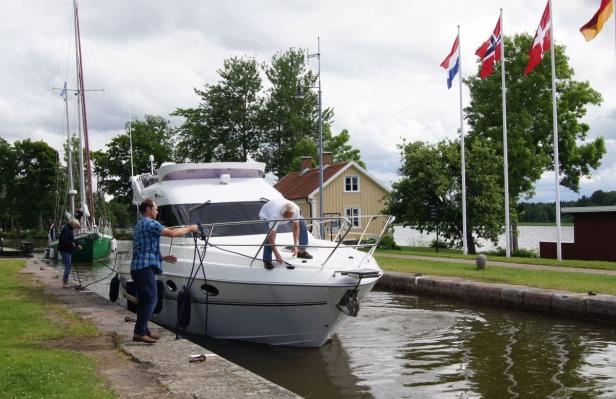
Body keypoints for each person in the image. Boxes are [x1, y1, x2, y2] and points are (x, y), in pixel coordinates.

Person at [131, 198, 198, 344]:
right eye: (155, 208)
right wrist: (190, 228)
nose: (157, 211)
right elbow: (173, 233)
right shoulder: (150, 223)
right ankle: (139, 333)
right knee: (151, 300)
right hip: (145, 269)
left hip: (137, 267)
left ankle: (144, 331)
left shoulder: (139, 225)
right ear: (148, 210)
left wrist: (163, 257)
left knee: (143, 301)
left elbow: (143, 250)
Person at [259, 198, 312, 270]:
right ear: (282, 213)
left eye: (289, 217)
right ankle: (267, 260)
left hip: (282, 213)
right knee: (270, 236)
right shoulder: (275, 215)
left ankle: (301, 251)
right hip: (266, 216)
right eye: (286, 217)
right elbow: (271, 237)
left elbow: (296, 228)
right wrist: (277, 254)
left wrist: (295, 245)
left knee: (301, 221)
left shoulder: (295, 210)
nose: (287, 219)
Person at [58, 218, 81, 288]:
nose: (76, 228)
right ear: (73, 224)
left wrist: (77, 245)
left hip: (68, 250)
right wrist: (71, 243)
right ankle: (65, 283)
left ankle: (66, 282)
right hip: (64, 250)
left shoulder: (70, 229)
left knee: (69, 266)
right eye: (76, 226)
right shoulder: (66, 229)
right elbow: (64, 239)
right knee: (68, 266)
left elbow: (72, 240)